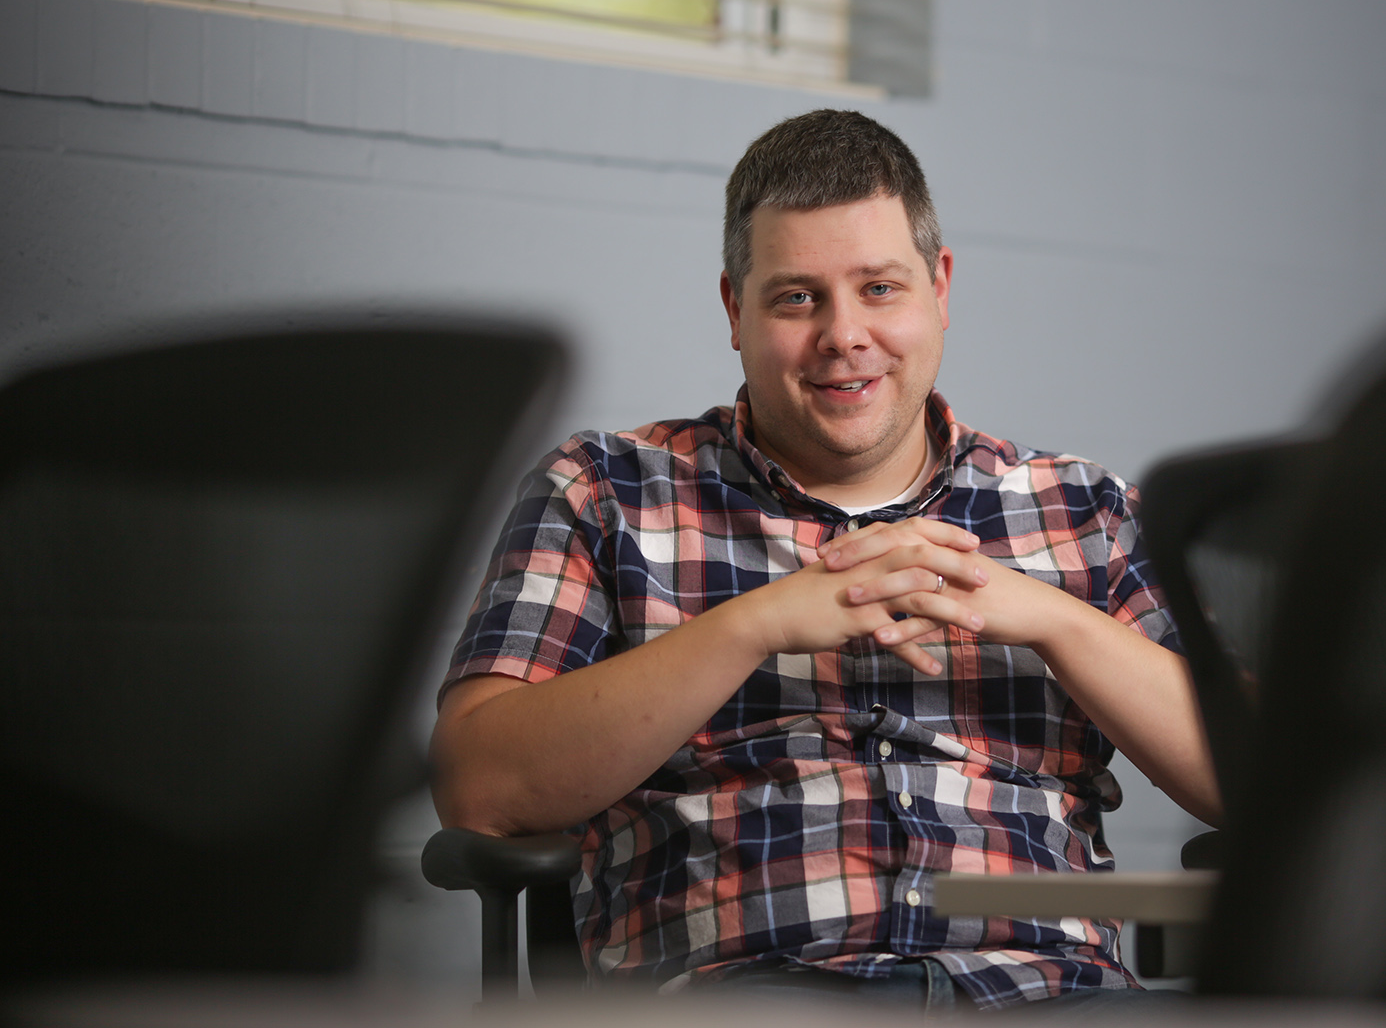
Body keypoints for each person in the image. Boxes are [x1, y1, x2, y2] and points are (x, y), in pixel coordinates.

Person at [431, 109, 1220, 1014]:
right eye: (797, 297)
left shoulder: (1081, 507)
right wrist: (755, 625)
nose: (844, 335)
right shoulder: (606, 489)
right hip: (757, 994)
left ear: (939, 288)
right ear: (735, 308)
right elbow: (479, 788)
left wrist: (1047, 616)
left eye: (879, 288)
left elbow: (1258, 778)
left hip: (1053, 994)